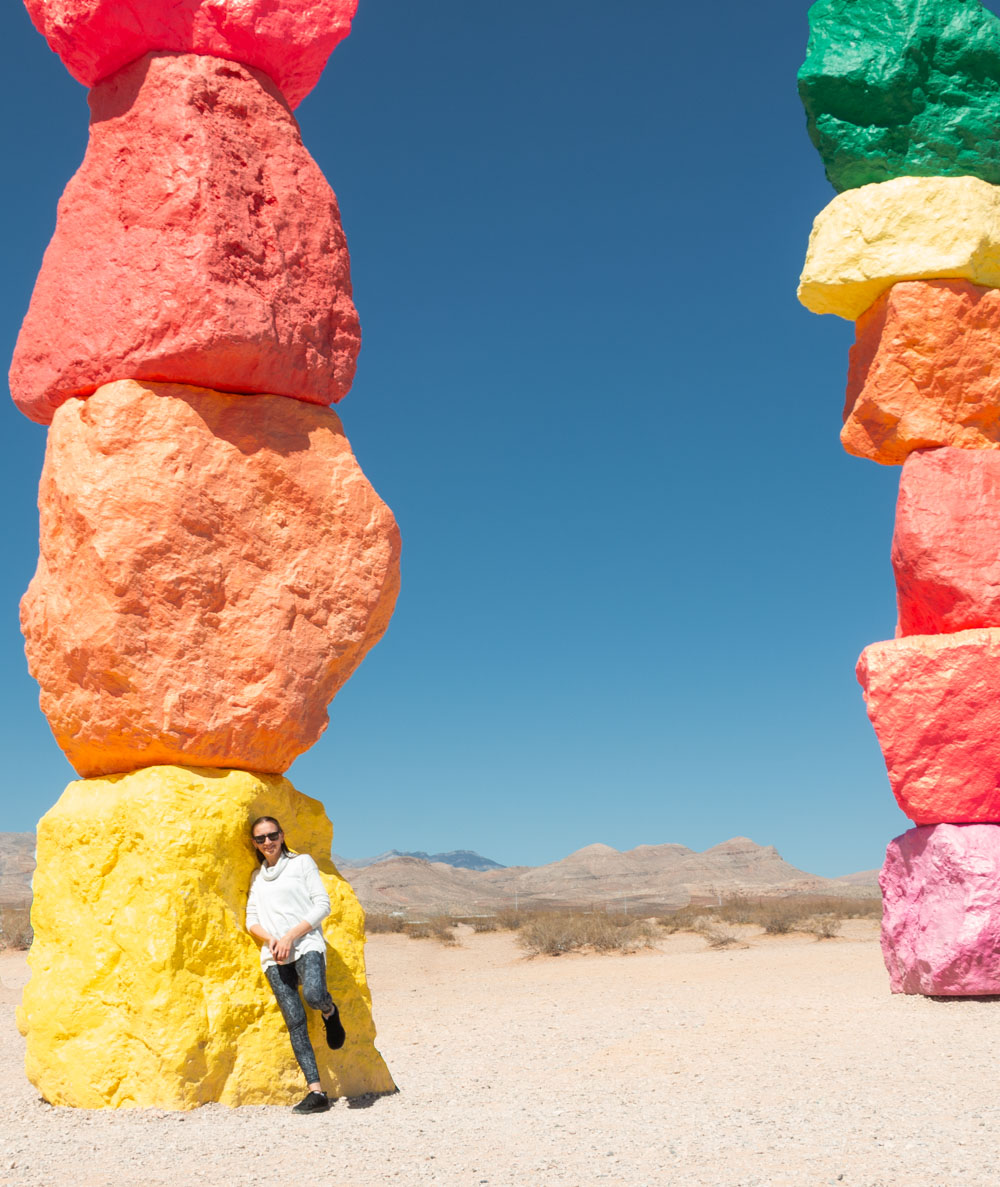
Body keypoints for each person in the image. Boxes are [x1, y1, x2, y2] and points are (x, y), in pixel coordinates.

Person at [246, 815, 346, 1114]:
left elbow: (322, 904)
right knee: (296, 1022)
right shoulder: (257, 877)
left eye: (272, 835)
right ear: (254, 843)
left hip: (306, 945)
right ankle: (316, 1092)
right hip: (274, 956)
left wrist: (290, 936)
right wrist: (272, 940)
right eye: (260, 838)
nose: (268, 842)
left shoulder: (301, 863)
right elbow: (251, 919)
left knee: (314, 995)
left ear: (282, 834)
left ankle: (330, 1011)